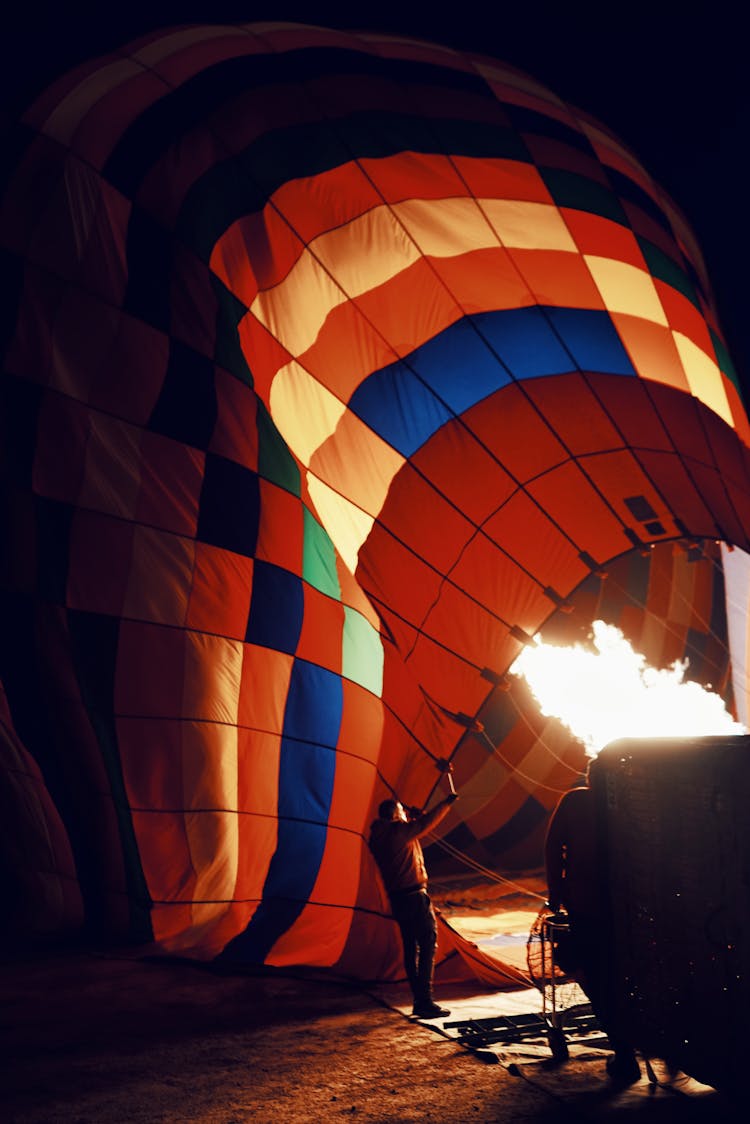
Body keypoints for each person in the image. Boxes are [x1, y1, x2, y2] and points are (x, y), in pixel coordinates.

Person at [545, 769, 641, 1085]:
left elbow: (552, 847)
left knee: (597, 979)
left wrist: (556, 894)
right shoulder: (628, 802)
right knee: (627, 980)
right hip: (630, 911)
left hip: (591, 911)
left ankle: (625, 1053)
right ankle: (635, 1046)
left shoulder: (576, 801)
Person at [369, 787, 458, 1018]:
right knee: (428, 944)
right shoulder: (398, 832)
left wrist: (411, 817)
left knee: (411, 948)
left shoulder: (379, 836)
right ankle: (425, 1000)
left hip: (397, 898)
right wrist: (446, 803)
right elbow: (425, 824)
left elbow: (413, 830)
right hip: (414, 897)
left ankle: (419, 999)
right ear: (395, 816)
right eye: (402, 813)